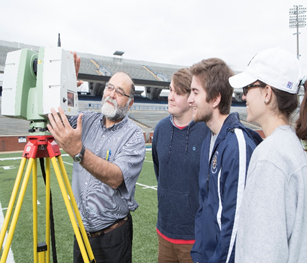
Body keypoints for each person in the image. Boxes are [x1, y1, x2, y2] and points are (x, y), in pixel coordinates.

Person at [47, 58, 146, 263]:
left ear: (130, 102)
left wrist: (79, 152)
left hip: (113, 236)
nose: (111, 94)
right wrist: (66, 88)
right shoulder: (87, 119)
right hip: (81, 233)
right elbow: (53, 117)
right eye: (109, 87)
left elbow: (116, 177)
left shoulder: (134, 135)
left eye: (119, 91)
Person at [229, 47, 307, 263]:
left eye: (248, 87)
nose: (243, 95)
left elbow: (263, 251)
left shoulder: (270, 156)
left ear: (267, 93)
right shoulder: (290, 145)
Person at [187, 58, 262, 263]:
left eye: (195, 92)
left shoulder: (236, 144)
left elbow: (235, 225)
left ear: (215, 99)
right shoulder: (208, 141)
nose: (189, 100)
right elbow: (205, 208)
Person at [152, 68, 209, 263]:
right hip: (164, 231)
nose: (171, 97)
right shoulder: (160, 129)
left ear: (191, 97)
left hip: (195, 236)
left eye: (178, 92)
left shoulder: (206, 132)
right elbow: (160, 172)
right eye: (170, 90)